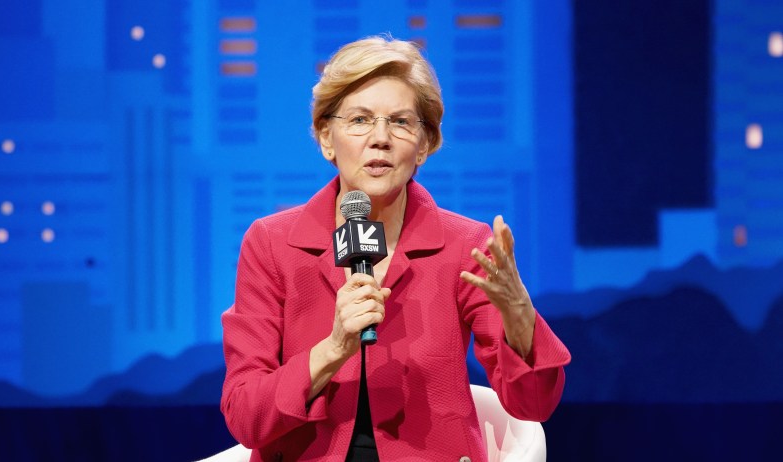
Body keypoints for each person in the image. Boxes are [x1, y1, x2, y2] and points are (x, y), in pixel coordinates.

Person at [221, 35, 571, 461]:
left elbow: (533, 405)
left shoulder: (465, 245)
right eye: (360, 120)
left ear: (425, 144)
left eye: (401, 122)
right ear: (326, 137)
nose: (380, 138)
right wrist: (331, 351)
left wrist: (520, 319)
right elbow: (244, 416)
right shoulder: (273, 244)